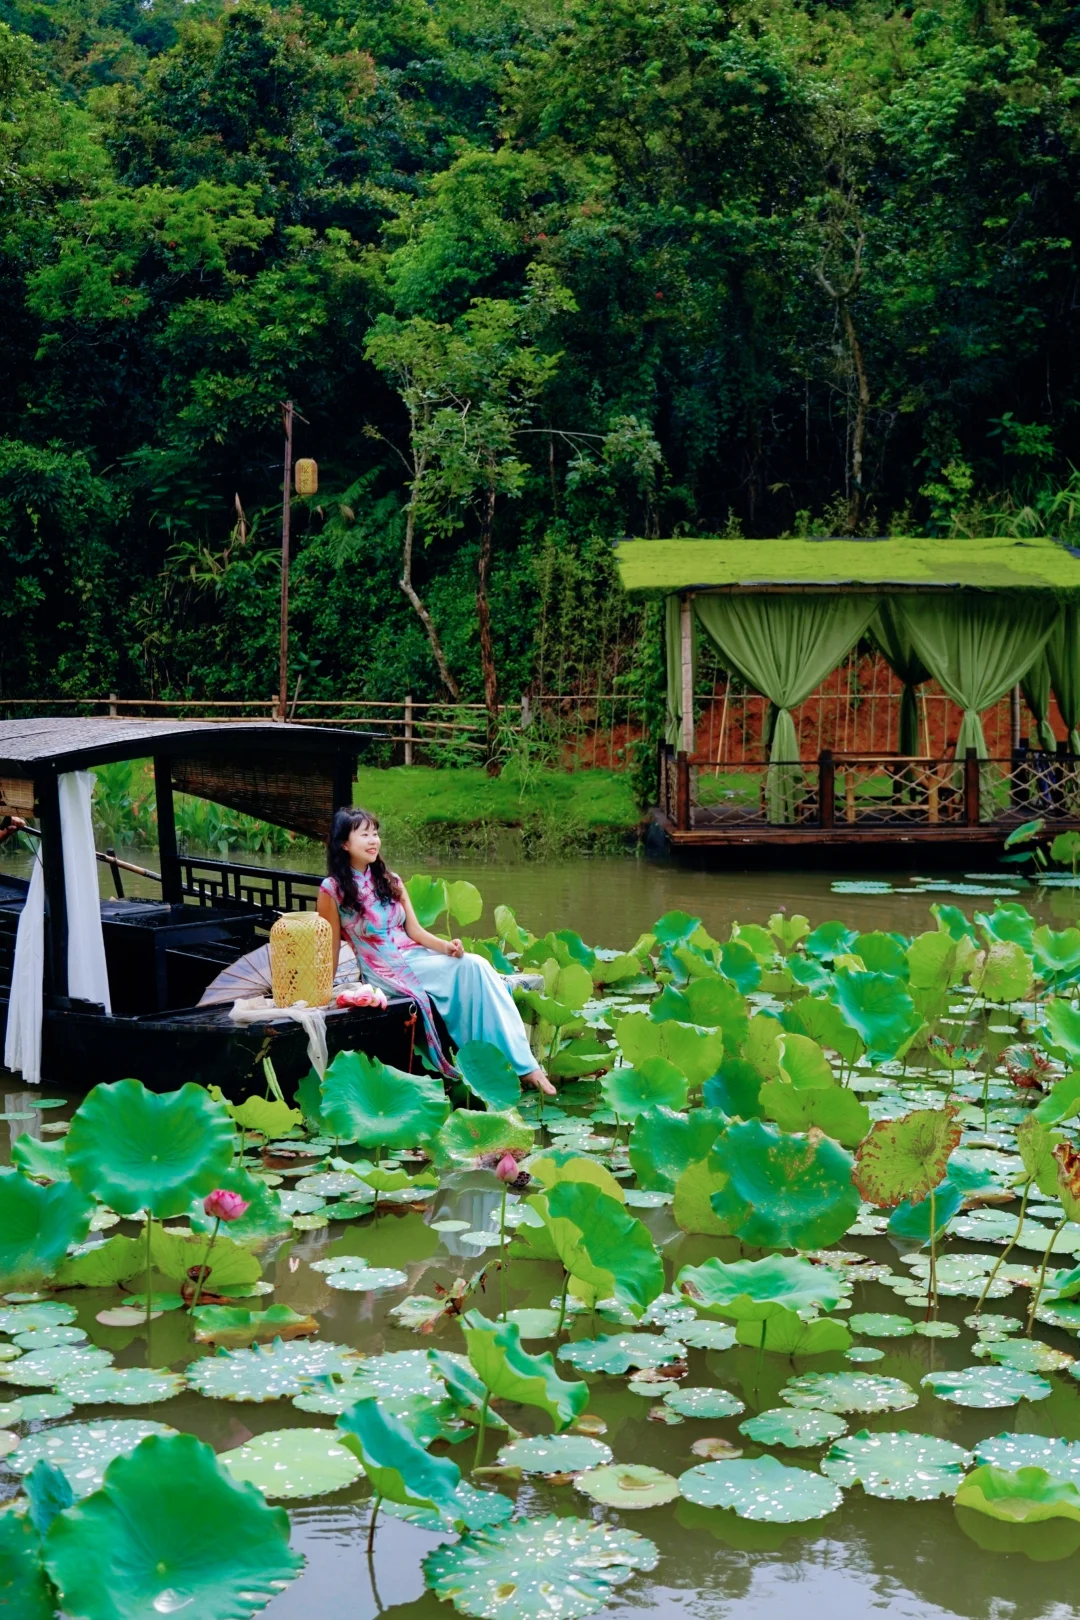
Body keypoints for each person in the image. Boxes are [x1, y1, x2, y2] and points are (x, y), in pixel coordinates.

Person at [316, 807, 555, 1094]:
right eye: (364, 834)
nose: (373, 841)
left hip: (415, 956)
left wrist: (447, 947)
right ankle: (518, 1067)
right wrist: (321, 990)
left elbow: (414, 931)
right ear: (344, 843)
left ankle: (516, 1063)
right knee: (474, 970)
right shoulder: (332, 889)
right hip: (384, 969)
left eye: (376, 834)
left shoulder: (389, 881)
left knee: (475, 965)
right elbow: (329, 945)